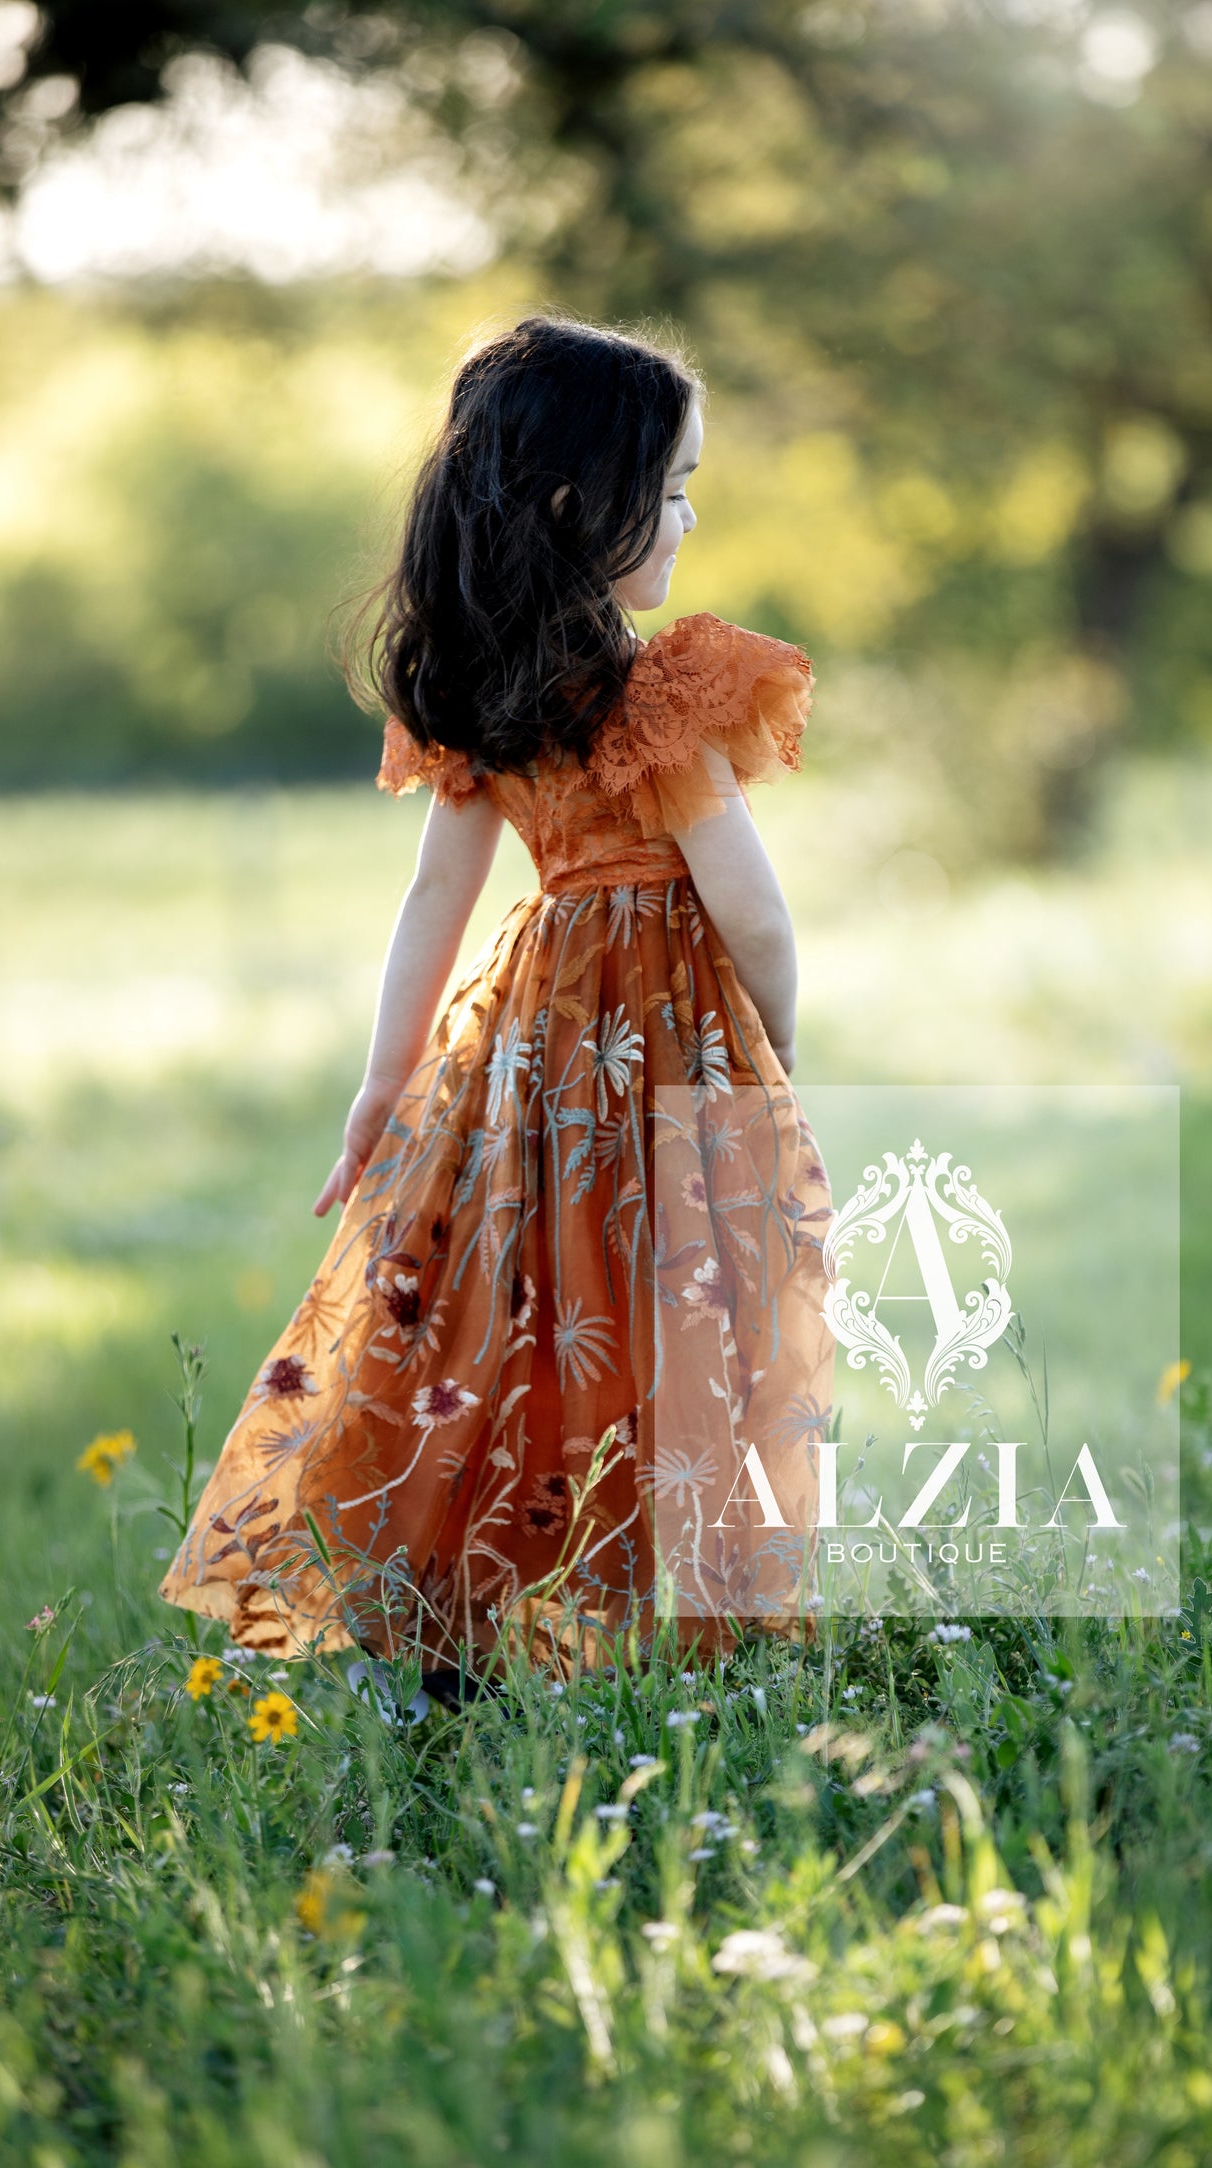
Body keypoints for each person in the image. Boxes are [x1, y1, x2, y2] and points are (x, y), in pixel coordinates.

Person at [158, 314, 835, 1701]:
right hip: (660, 1050)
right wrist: (764, 1048)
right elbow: (753, 911)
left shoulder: (476, 693)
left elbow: (433, 906)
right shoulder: (660, 692)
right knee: (666, 1317)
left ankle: (457, 1627)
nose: (689, 519)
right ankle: (663, 1635)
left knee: (504, 1310)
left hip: (519, 1056)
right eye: (674, 487)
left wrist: (382, 1085)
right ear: (585, 504)